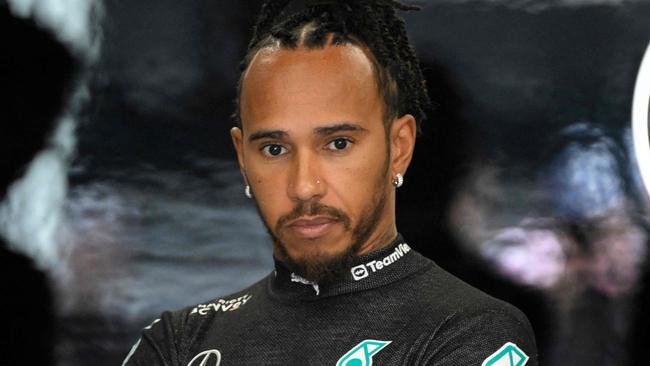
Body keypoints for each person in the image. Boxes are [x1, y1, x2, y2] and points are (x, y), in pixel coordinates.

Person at [122, 1, 538, 365]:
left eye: (338, 144)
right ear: (242, 159)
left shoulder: (472, 327)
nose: (304, 186)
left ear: (399, 148)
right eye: (273, 149)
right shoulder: (178, 341)